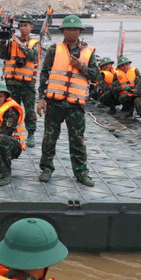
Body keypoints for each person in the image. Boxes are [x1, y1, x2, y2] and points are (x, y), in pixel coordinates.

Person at [36, 15, 98, 186]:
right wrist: (41, 99)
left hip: (75, 105)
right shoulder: (54, 50)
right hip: (54, 103)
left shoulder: (89, 52)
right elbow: (44, 75)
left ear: (79, 31)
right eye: (68, 29)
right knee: (49, 138)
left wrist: (81, 67)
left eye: (75, 29)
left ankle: (81, 172)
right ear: (63, 31)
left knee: (77, 140)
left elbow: (96, 76)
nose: (72, 32)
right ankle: (46, 169)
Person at [0, 15, 40, 147]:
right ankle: (9, 132)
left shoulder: (35, 43)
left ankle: (31, 134)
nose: (23, 28)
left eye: (26, 26)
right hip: (11, 82)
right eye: (21, 25)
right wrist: (3, 41)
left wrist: (18, 42)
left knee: (29, 109)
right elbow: (2, 55)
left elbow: (32, 56)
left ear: (31, 27)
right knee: (11, 109)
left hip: (27, 82)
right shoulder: (11, 42)